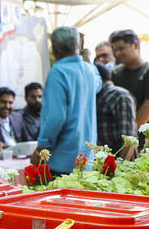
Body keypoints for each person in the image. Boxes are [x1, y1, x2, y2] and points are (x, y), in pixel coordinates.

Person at [32, 27, 101, 175]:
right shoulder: (90, 70)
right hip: (86, 160)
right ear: (78, 47)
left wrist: (42, 148)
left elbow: (55, 117)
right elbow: (98, 84)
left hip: (61, 160)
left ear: (54, 49)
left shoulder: (58, 72)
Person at [109, 29, 149, 127]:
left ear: (136, 45)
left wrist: (129, 133)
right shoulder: (115, 72)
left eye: (121, 49)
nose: (117, 53)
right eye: (115, 49)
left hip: (146, 137)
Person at [95, 63, 137, 156]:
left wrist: (121, 167)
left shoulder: (120, 95)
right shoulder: (96, 97)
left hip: (119, 162)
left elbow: (128, 137)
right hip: (102, 160)